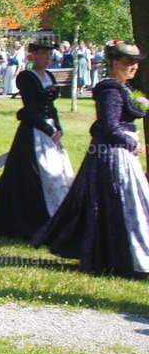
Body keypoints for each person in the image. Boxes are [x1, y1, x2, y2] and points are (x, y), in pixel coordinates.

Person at [33, 40, 149, 277]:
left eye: (135, 64)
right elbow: (108, 126)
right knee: (120, 203)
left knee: (124, 203)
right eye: (128, 63)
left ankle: (118, 254)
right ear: (114, 62)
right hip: (112, 155)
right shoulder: (110, 89)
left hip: (118, 153)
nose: (133, 67)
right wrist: (132, 143)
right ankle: (120, 256)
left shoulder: (122, 87)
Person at [0, 40, 74, 241]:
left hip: (50, 130)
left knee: (58, 174)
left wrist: (58, 128)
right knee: (33, 175)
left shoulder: (50, 75)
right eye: (43, 54)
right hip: (33, 133)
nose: (47, 58)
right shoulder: (26, 77)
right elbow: (31, 108)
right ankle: (30, 222)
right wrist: (49, 129)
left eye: (50, 54)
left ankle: (57, 219)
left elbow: (51, 107)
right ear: (33, 55)